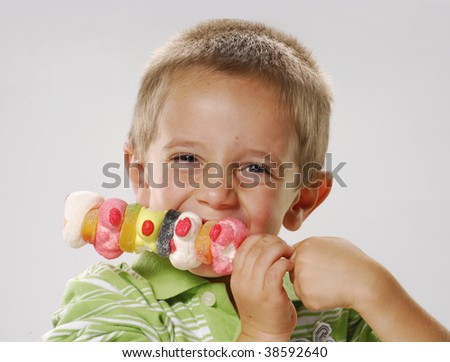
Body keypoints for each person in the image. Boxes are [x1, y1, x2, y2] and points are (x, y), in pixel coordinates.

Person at [42, 18, 450, 342]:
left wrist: (379, 294)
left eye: (255, 169)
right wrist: (262, 337)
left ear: (302, 200)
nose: (217, 194)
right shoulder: (109, 302)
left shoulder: (334, 309)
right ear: (140, 173)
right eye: (186, 158)